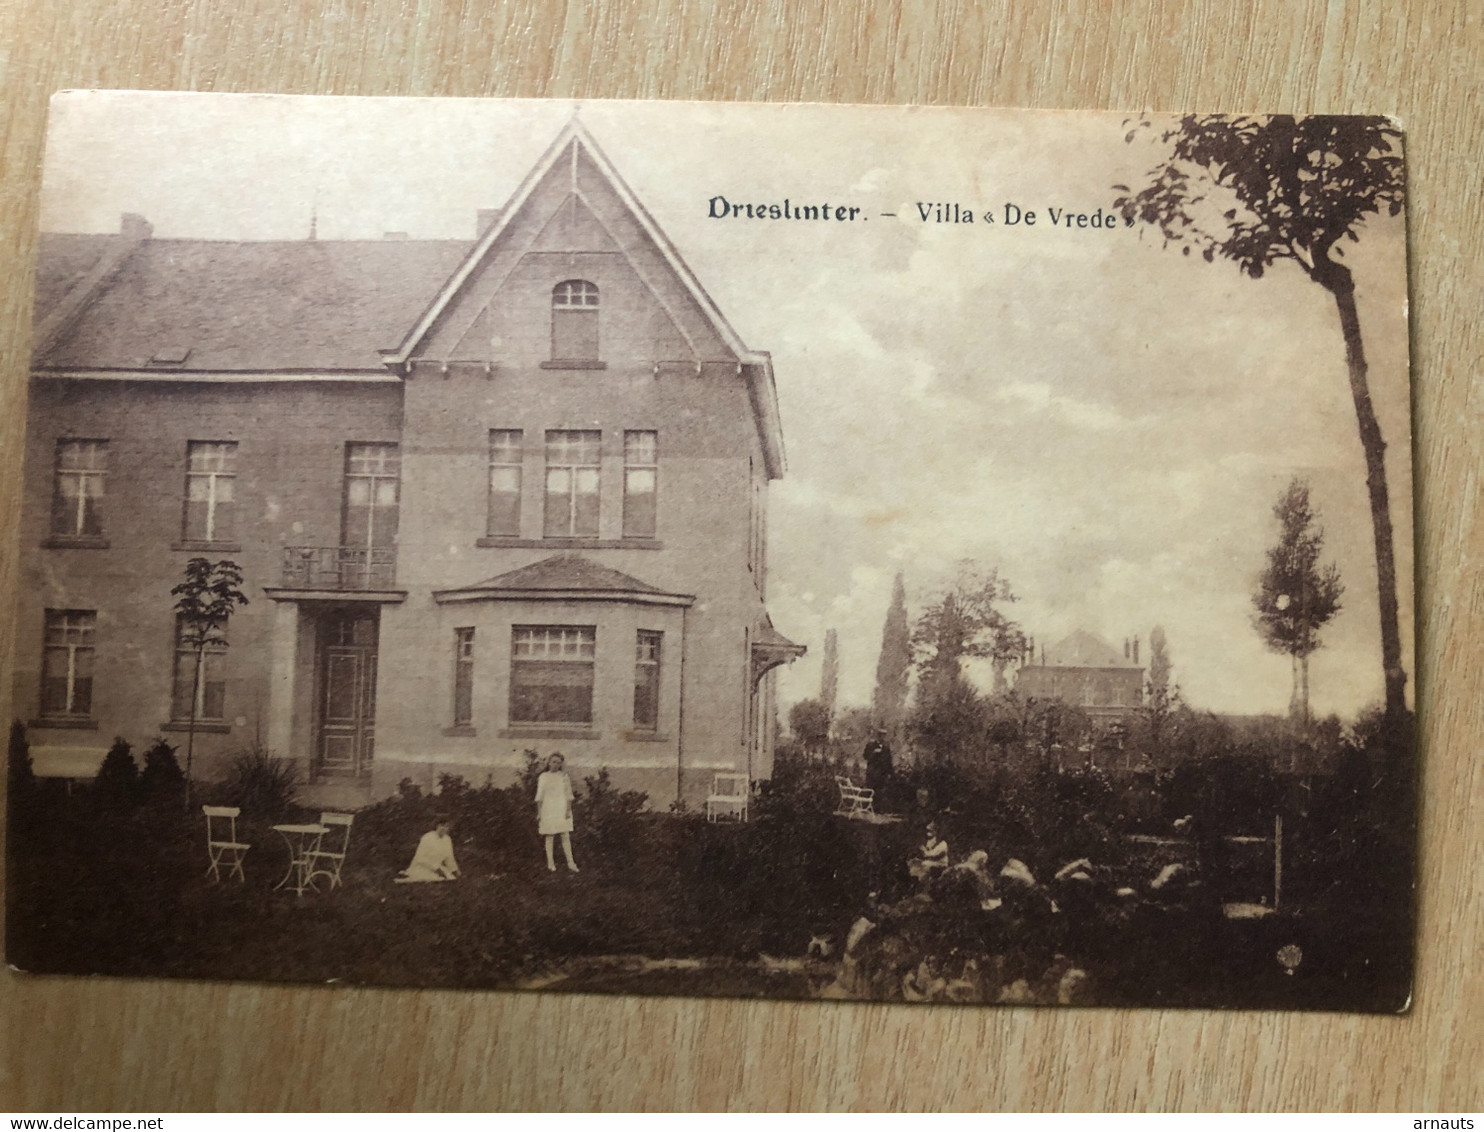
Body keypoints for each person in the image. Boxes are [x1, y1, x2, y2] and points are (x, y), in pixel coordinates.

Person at [535, 752, 580, 873]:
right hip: (548, 808)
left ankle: (571, 862)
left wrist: (568, 810)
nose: (556, 765)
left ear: (561, 764)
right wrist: (539, 812)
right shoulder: (543, 776)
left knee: (565, 835)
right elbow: (539, 796)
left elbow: (569, 795)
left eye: (558, 763)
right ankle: (550, 863)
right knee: (550, 835)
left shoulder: (564, 776)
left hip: (561, 807)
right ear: (549, 762)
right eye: (553, 762)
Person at [396, 817, 460, 882]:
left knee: (451, 878)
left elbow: (449, 857)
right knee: (435, 879)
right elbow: (420, 857)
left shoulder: (447, 839)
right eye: (441, 826)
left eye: (446, 826)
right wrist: (436, 868)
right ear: (436, 826)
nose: (443, 828)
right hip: (422, 867)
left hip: (438, 868)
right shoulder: (427, 837)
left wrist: (455, 870)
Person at [862, 729, 893, 798]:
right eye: (882, 735)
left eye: (885, 735)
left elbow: (889, 761)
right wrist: (873, 753)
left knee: (880, 794)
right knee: (870, 793)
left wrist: (890, 773)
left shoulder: (886, 747)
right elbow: (865, 756)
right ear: (878, 736)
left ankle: (878, 808)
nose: (883, 737)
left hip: (882, 775)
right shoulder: (870, 745)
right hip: (872, 774)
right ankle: (869, 807)